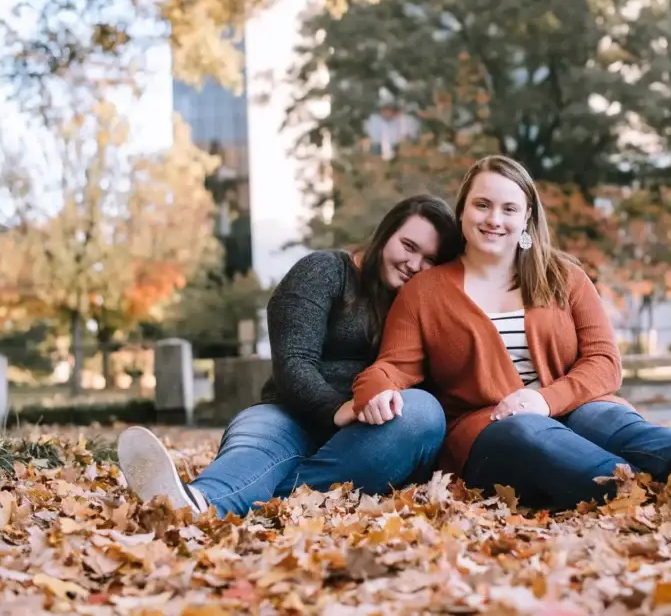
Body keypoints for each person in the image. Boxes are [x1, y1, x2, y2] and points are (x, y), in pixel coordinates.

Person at [352, 156, 671, 512]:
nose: (494, 219)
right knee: (527, 431)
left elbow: (604, 362)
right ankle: (653, 490)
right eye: (482, 205)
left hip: (574, 408)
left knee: (611, 419)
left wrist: (544, 399)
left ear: (526, 218)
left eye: (509, 209)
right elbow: (392, 367)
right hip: (489, 433)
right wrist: (374, 390)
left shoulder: (564, 277)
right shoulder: (425, 291)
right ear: (462, 213)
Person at [118, 194, 463, 517]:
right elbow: (293, 362)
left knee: (423, 414)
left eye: (430, 259)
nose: (414, 264)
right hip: (288, 413)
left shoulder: (426, 306)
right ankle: (195, 504)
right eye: (408, 246)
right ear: (385, 234)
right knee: (256, 448)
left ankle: (249, 498)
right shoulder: (325, 271)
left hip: (369, 437)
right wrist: (338, 410)